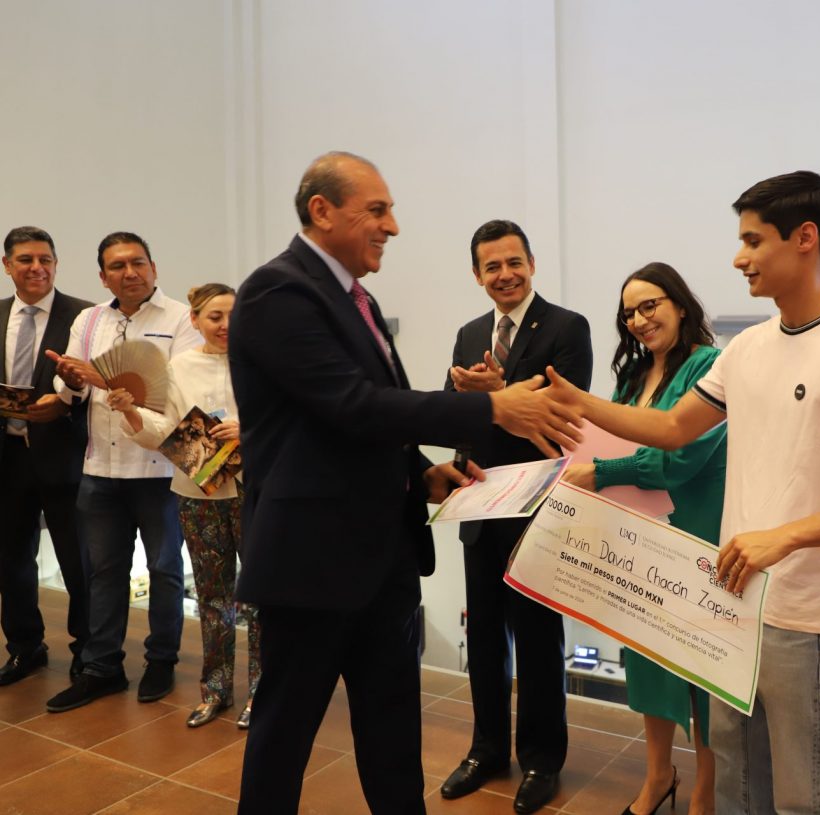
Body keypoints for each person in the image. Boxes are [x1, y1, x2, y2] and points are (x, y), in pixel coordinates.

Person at [544, 171, 820, 814]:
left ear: (804, 238)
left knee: (804, 796)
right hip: (731, 599)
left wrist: (785, 537)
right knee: (736, 786)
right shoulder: (748, 347)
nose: (738, 257)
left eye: (753, 241)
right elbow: (674, 428)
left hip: (804, 613)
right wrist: (579, 402)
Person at [229, 151, 583, 815]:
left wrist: (422, 473)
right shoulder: (280, 292)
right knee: (285, 735)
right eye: (378, 210)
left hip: (381, 560)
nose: (392, 226)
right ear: (322, 210)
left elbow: (362, 426)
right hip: (312, 560)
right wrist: (492, 407)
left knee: (393, 736)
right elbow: (351, 404)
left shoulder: (356, 299)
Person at [561, 262, 726, 815]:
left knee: (703, 667)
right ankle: (659, 777)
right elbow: (607, 443)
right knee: (649, 657)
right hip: (639, 537)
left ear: (679, 303)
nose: (638, 319)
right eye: (628, 312)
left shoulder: (709, 365)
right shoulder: (632, 376)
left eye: (649, 305)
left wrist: (605, 472)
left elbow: (679, 458)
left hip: (696, 533)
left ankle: (706, 791)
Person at [440, 219, 592, 814]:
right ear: (476, 275)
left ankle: (541, 760)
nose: (505, 275)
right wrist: (468, 399)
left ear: (532, 264)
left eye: (513, 263)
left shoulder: (566, 327)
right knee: (483, 637)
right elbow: (447, 413)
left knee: (537, 640)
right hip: (480, 504)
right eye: (492, 267)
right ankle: (486, 751)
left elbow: (565, 415)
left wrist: (499, 396)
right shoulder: (468, 333)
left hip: (539, 507)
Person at [45, 232, 198, 713]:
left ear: (154, 268)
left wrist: (105, 378)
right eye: (117, 266)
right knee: (104, 572)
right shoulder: (89, 320)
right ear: (102, 276)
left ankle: (161, 660)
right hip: (99, 469)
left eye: (138, 263)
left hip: (159, 469)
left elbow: (179, 393)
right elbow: (70, 389)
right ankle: (102, 667)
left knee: (165, 570)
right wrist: (69, 378)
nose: (129, 273)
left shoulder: (181, 319)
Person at [108, 283, 262, 729]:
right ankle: (215, 691)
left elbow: (289, 422)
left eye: (234, 315)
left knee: (261, 597)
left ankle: (263, 692)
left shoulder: (262, 364)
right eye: (214, 317)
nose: (226, 325)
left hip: (255, 491)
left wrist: (247, 430)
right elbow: (165, 429)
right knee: (212, 596)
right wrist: (131, 411)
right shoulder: (178, 367)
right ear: (194, 320)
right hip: (198, 492)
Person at [0, 227, 91, 685]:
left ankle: (88, 649)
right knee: (11, 559)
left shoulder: (85, 317)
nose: (37, 268)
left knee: (78, 560)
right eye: (25, 260)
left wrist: (67, 401)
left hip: (65, 455)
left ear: (56, 263)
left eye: (45, 259)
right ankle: (25, 647)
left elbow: (99, 383)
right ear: (7, 265)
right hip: (8, 458)